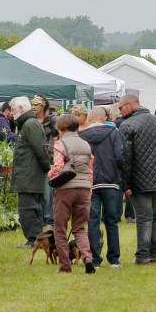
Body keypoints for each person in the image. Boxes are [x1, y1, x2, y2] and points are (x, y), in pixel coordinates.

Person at [118, 94, 156, 265]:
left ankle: (143, 255)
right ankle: (155, 253)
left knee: (144, 218)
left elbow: (125, 158)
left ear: (129, 105)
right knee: (154, 216)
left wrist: (125, 184)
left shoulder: (127, 125)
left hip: (139, 180)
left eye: (120, 108)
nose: (119, 112)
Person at [48, 114, 96, 274]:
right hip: (84, 189)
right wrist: (88, 186)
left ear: (61, 128)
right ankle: (88, 258)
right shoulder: (85, 145)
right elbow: (90, 168)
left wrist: (49, 175)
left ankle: (65, 265)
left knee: (60, 228)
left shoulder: (60, 144)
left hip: (65, 189)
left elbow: (58, 168)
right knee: (79, 228)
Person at [79, 107, 124, 268]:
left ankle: (94, 258)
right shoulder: (114, 133)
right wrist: (118, 173)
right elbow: (120, 156)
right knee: (111, 221)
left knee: (92, 221)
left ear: (89, 119)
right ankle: (114, 259)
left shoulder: (82, 135)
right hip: (111, 181)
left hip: (90, 182)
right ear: (104, 119)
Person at [10, 96, 51, 249]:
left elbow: (41, 149)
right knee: (33, 208)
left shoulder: (29, 124)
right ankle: (38, 239)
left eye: (14, 109)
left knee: (28, 208)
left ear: (21, 109)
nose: (12, 112)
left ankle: (33, 239)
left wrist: (47, 168)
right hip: (29, 173)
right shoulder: (28, 123)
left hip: (29, 174)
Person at [32, 94, 58, 229]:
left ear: (43, 105)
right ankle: (40, 219)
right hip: (35, 160)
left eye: (36, 104)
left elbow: (58, 137)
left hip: (50, 159)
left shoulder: (53, 119)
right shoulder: (31, 120)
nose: (33, 107)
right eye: (32, 104)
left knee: (48, 192)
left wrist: (56, 157)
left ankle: (49, 220)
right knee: (38, 191)